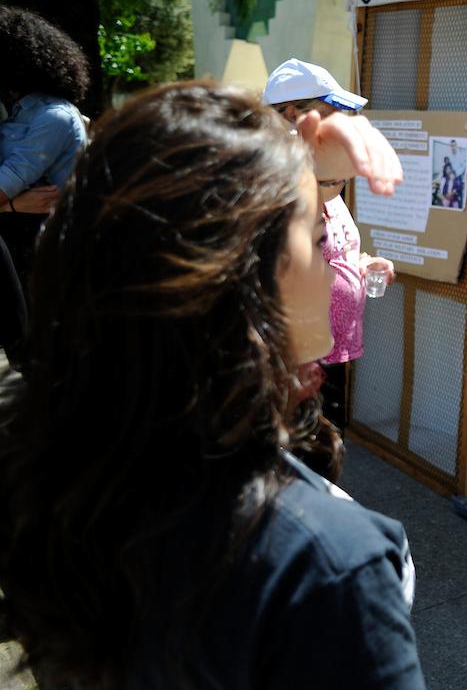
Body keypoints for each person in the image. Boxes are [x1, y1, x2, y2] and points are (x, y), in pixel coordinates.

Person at [0, 82, 423, 688]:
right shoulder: (327, 563)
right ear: (248, 283)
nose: (335, 270)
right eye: (320, 241)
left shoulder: (60, 469)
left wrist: (307, 178)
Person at [264, 57, 396, 432]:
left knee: (327, 449)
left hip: (333, 353)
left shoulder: (324, 176)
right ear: (291, 116)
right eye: (331, 111)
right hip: (297, 359)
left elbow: (334, 251)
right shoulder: (275, 185)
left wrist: (364, 264)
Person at [0, 6, 89, 291]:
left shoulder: (52, 117)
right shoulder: (17, 112)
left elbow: (5, 185)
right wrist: (12, 207)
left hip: (39, 258)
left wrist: (10, 205)